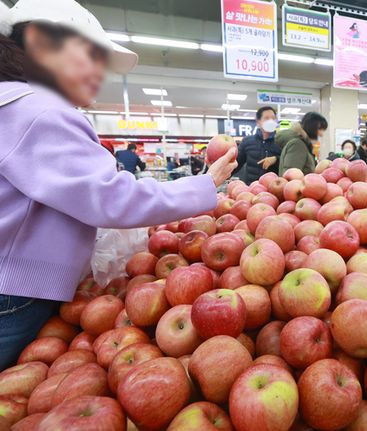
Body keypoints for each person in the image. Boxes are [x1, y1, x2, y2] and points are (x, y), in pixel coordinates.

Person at [0, 0, 238, 369]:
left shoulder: (15, 103)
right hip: (14, 293)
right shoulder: (42, 112)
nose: (100, 73)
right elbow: (109, 196)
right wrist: (204, 185)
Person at [234, 106, 281, 184]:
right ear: (258, 122)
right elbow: (236, 164)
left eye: (273, 118)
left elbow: (288, 162)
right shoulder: (247, 141)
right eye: (266, 118)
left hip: (274, 189)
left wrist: (276, 159)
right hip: (252, 188)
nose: (271, 121)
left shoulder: (281, 141)